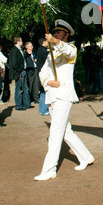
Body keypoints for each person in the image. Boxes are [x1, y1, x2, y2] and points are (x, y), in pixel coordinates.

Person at [35, 20, 94, 181]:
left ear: (66, 35)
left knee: (55, 133)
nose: (56, 35)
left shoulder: (71, 48)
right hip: (52, 95)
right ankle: (86, 156)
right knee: (65, 131)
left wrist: (55, 42)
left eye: (59, 33)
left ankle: (49, 169)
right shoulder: (51, 53)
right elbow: (42, 72)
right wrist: (48, 81)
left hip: (63, 96)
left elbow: (68, 52)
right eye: (55, 33)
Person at [8, 36, 32, 111]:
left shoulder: (19, 50)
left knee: (25, 88)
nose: (22, 42)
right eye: (21, 41)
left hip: (23, 71)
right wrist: (20, 70)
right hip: (19, 72)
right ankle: (18, 105)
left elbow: (22, 59)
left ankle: (26, 104)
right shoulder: (14, 50)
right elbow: (14, 63)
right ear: (18, 41)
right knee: (19, 88)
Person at [36, 37, 49, 116]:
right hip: (43, 73)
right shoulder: (43, 51)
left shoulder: (40, 50)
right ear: (44, 42)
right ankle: (44, 109)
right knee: (44, 91)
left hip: (41, 72)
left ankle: (43, 109)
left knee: (43, 92)